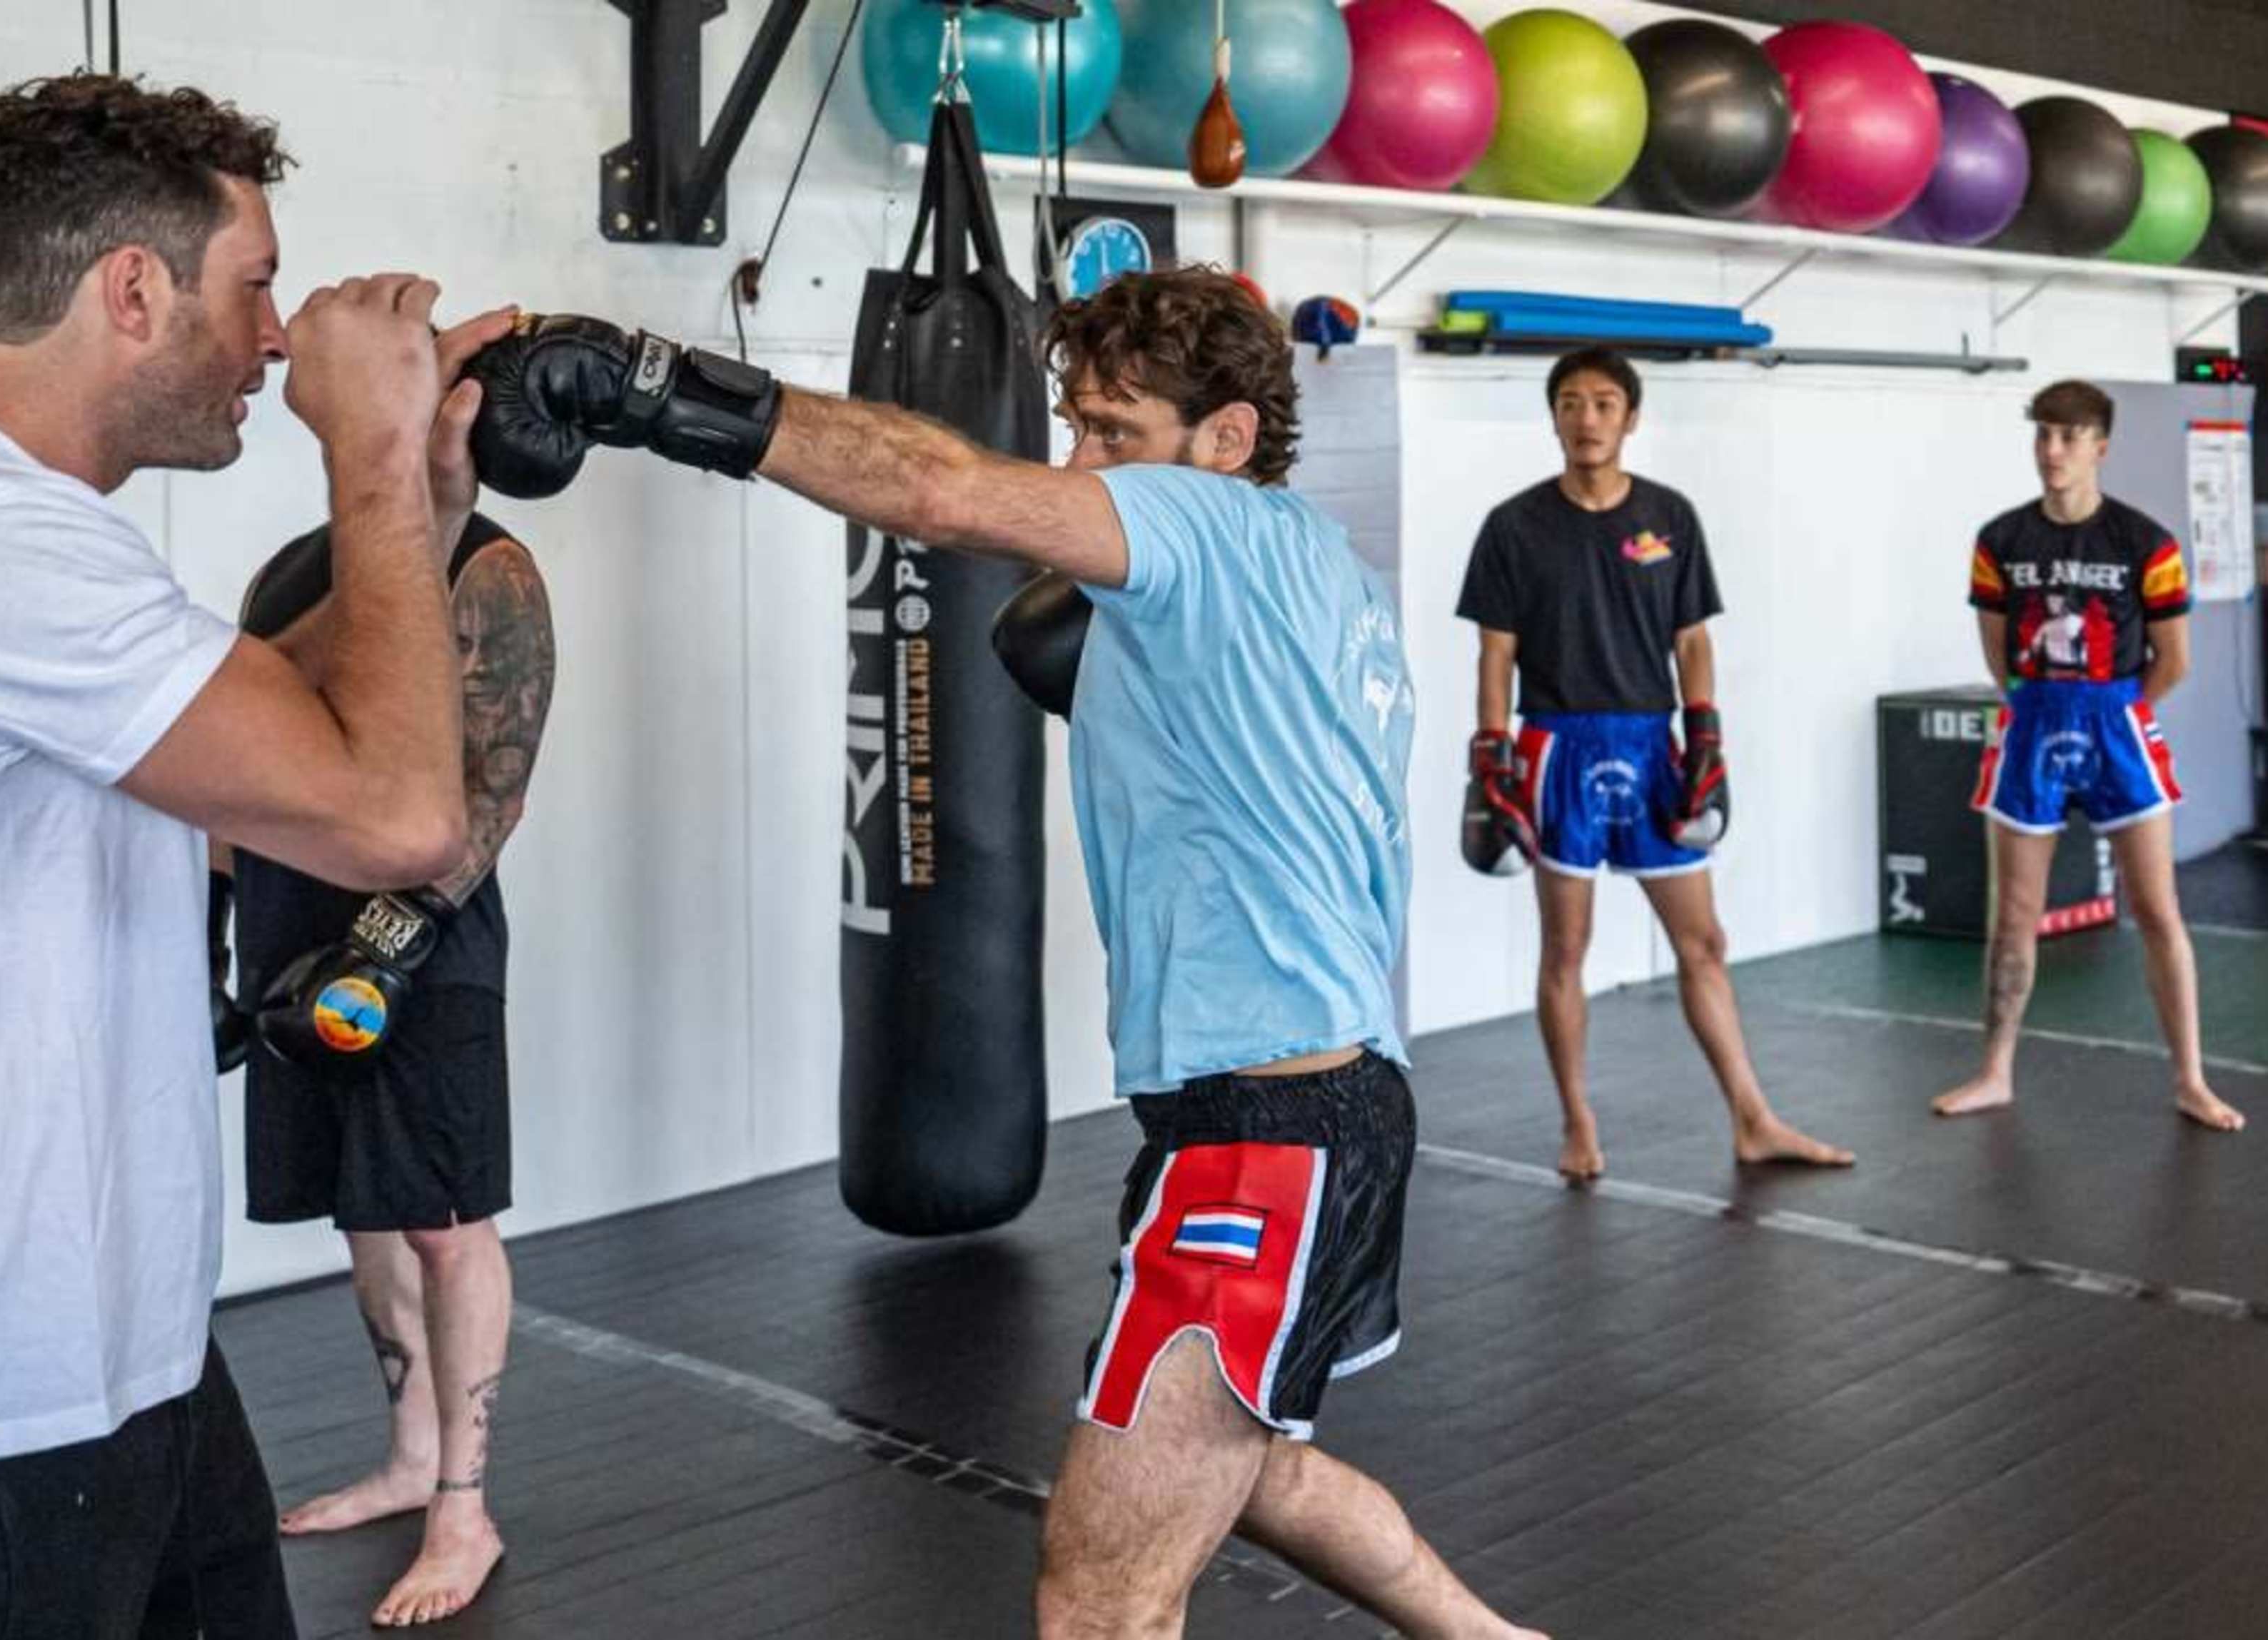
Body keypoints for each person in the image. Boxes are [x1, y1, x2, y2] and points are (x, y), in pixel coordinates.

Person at [458, 269, 1542, 1637]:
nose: (1083, 464)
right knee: (1255, 1468)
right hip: (1326, 1104)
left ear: (1223, 439)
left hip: (1266, 1138)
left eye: (1116, 431)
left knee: (1098, 1600)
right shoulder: (1320, 570)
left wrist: (657, 387)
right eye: (1072, 426)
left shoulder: (1203, 522)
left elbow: (939, 488)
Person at [0, 72, 511, 1635]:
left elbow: (278, 726)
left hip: (117, 1369)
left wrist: (411, 498)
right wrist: (365, 455)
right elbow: (401, 815)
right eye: (258, 283)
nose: (278, 339)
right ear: (133, 291)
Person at [214, 505, 554, 1629]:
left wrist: (389, 946)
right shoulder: (290, 566)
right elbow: (237, 748)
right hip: (288, 926)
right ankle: (413, 1457)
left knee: (444, 1224)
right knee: (367, 1212)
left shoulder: (485, 563)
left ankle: (466, 1505)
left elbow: (494, 782)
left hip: (421, 945)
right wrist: (219, 936)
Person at [1457, 348, 1853, 1184]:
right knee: (1567, 947)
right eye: (1571, 402)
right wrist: (1490, 757)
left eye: (1604, 403)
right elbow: (1498, 651)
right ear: (1554, 417)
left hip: (1652, 745)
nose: (1587, 418)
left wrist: (1706, 737)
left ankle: (1754, 1119)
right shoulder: (1514, 525)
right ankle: (1577, 1123)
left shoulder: (1669, 516)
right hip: (1558, 744)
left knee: (1702, 940)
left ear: (1631, 418)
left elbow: (1693, 639)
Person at [1933, 380, 2246, 1131]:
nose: (2052, 450)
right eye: (2043, 434)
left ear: (2100, 447)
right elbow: (1997, 648)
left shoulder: (2146, 541)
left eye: (2069, 437)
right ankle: (1995, 1071)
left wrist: (2118, 709)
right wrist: (2036, 697)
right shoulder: (2000, 540)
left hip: (2116, 720)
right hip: (2034, 718)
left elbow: (2174, 660)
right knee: (2013, 916)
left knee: (2156, 909)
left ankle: (2191, 1079)